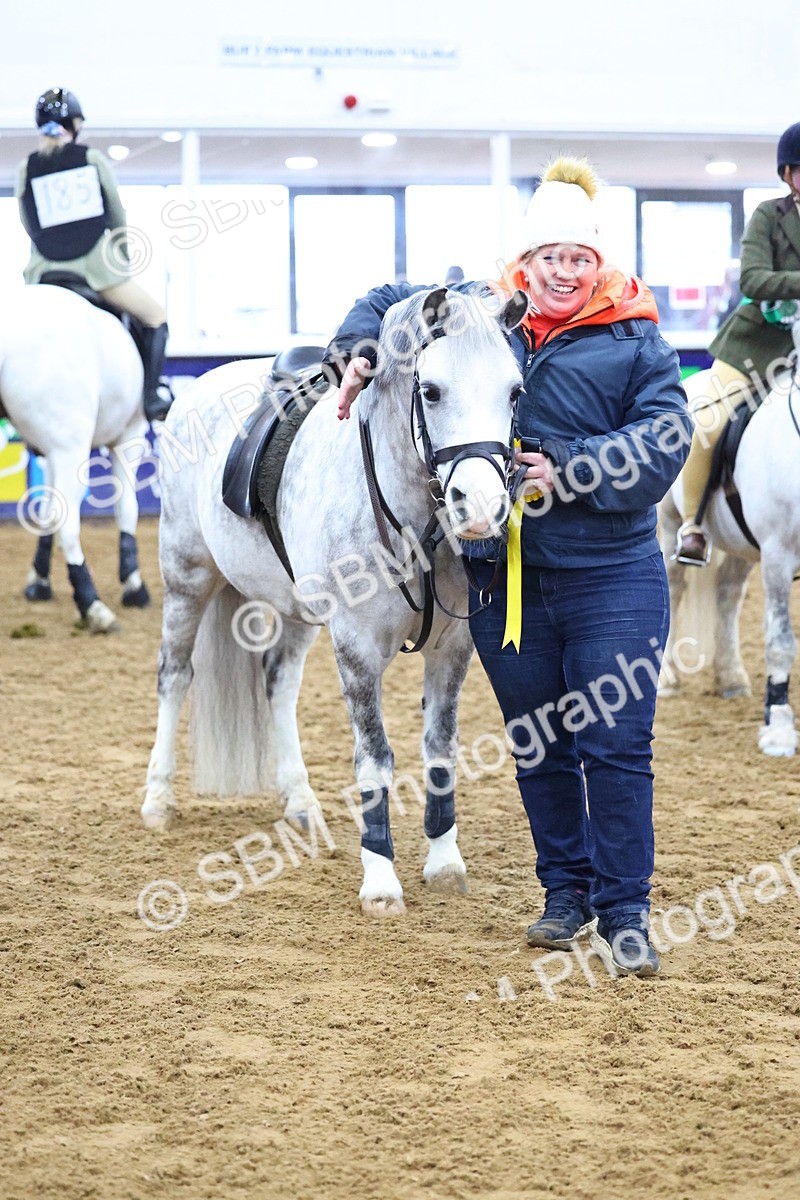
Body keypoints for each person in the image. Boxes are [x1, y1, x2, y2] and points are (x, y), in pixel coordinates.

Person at [322, 157, 691, 977]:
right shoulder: (489, 317)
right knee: (539, 743)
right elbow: (388, 301)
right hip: (504, 581)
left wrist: (574, 468)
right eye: (551, 256)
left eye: (581, 258)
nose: (566, 271)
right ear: (526, 263)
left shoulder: (639, 340)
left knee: (618, 743)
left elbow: (667, 442)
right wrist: (352, 346)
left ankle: (625, 911)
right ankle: (565, 896)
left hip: (611, 577)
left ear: (601, 264)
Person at [674, 120, 800, 565]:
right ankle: (692, 525)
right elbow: (753, 277)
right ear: (788, 174)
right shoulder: (769, 215)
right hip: (756, 349)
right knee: (707, 422)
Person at [15, 87, 172, 423]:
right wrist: (122, 262)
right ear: (75, 124)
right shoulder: (91, 159)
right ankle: (150, 397)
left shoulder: (26, 167)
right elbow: (116, 215)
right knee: (156, 317)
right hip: (96, 270)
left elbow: (28, 223)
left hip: (43, 273)